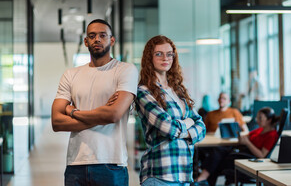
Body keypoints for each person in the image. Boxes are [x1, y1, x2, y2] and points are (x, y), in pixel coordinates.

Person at [51, 19, 138, 186]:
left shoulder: (125, 70)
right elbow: (56, 122)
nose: (97, 39)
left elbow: (114, 115)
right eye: (92, 36)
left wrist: (73, 112)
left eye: (102, 35)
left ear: (112, 40)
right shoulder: (71, 74)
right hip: (75, 164)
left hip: (112, 163)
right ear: (86, 41)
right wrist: (101, 113)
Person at [135, 35, 206, 186]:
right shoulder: (143, 91)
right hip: (160, 175)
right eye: (158, 54)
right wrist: (188, 123)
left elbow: (201, 126)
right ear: (150, 58)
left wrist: (183, 128)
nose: (165, 58)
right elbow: (169, 129)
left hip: (184, 173)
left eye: (169, 54)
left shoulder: (178, 90)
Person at [196, 107, 280, 185]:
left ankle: (202, 178)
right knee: (217, 154)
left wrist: (247, 143)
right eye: (257, 117)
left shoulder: (271, 135)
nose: (257, 120)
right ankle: (202, 179)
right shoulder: (260, 129)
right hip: (241, 153)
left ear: (269, 120)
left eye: (260, 118)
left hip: (248, 159)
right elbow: (246, 135)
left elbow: (262, 155)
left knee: (217, 158)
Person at [194, 92, 248, 185]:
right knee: (199, 150)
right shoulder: (211, 114)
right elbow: (203, 131)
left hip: (228, 144)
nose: (221, 100)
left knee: (217, 152)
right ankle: (202, 177)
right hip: (211, 142)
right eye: (220, 98)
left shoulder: (234, 112)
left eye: (224, 98)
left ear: (229, 101)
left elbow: (245, 130)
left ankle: (202, 177)